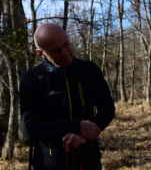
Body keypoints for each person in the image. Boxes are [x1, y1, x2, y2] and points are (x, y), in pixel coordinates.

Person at [20, 24, 115, 170]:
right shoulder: (32, 78)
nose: (66, 52)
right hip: (49, 157)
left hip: (87, 154)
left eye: (66, 44)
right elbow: (29, 128)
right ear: (40, 53)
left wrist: (88, 132)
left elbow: (107, 109)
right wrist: (75, 127)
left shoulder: (89, 70)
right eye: (57, 51)